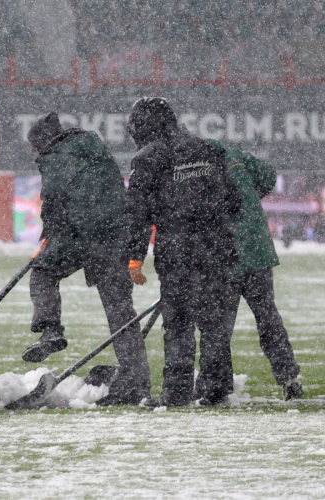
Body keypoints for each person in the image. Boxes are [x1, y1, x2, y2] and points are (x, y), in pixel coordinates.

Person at [21, 112, 151, 405]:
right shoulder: (93, 145)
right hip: (115, 235)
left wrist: (48, 236)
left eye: (35, 148)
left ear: (41, 143)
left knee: (42, 273)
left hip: (79, 235)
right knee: (120, 310)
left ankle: (50, 330)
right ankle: (136, 382)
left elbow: (53, 199)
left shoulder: (53, 157)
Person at [127, 97, 241, 407]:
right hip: (216, 247)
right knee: (214, 320)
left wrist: (135, 258)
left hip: (177, 250)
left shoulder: (147, 158)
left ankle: (176, 391)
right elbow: (233, 199)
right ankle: (216, 388)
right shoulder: (208, 149)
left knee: (178, 321)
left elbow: (138, 214)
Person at [212, 141, 303, 400]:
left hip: (226, 257)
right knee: (268, 318)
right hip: (256, 251)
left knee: (219, 327)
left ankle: (219, 385)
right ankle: (289, 378)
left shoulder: (199, 167)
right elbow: (268, 176)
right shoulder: (236, 155)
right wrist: (251, 194)